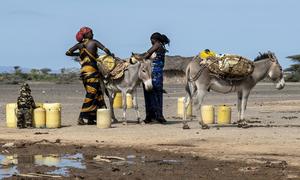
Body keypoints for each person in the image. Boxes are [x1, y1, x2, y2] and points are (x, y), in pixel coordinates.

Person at [66, 27, 114, 125]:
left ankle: (92, 118)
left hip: (84, 73)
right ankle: (81, 117)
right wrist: (110, 54)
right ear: (86, 34)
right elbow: (106, 50)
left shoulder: (79, 45)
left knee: (98, 94)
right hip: (92, 73)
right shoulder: (94, 42)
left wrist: (80, 54)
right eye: (91, 33)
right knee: (91, 94)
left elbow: (68, 53)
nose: (93, 34)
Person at [142, 32, 170, 124]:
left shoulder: (157, 45)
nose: (151, 42)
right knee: (158, 94)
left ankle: (150, 116)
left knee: (149, 93)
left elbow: (147, 54)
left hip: (153, 73)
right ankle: (158, 115)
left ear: (155, 39)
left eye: (151, 40)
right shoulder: (161, 46)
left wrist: (139, 58)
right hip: (159, 74)